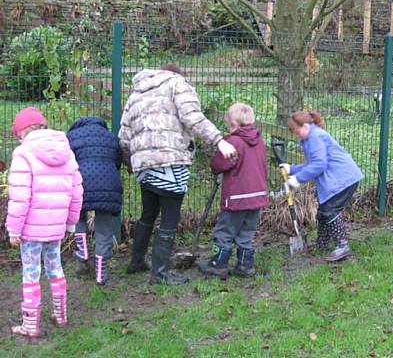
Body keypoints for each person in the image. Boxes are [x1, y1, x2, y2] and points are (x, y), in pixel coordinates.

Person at [119, 64, 237, 286]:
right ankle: (160, 274)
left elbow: (123, 134)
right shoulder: (177, 84)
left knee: (149, 213)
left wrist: (129, 163)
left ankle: (137, 261)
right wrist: (219, 140)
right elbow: (192, 117)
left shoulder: (137, 93)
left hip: (143, 164)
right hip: (170, 160)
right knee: (170, 217)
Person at [6, 107, 83, 337]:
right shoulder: (66, 151)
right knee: (55, 267)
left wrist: (14, 229)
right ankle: (60, 315)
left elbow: (20, 196)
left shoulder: (23, 154)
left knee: (31, 272)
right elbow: (77, 191)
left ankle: (30, 325)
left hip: (30, 230)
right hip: (56, 228)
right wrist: (71, 222)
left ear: (23, 132)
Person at [280, 111, 363, 262]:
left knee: (330, 211)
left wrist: (298, 179)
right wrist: (291, 169)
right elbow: (312, 164)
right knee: (323, 212)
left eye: (297, 131)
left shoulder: (315, 137)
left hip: (343, 179)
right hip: (339, 179)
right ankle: (322, 244)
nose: (296, 135)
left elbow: (319, 165)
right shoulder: (311, 137)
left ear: (305, 126)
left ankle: (342, 245)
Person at [199, 103, 268, 279]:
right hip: (257, 196)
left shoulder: (233, 142)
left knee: (225, 231)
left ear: (234, 124)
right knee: (247, 232)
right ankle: (245, 265)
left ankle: (218, 263)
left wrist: (214, 162)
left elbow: (219, 164)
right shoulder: (259, 141)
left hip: (237, 197)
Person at [67, 116, 123, 285]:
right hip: (108, 184)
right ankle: (101, 270)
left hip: (80, 182)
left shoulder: (71, 136)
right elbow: (117, 161)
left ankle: (82, 249)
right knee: (105, 224)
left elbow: (67, 161)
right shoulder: (111, 137)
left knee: (78, 215)